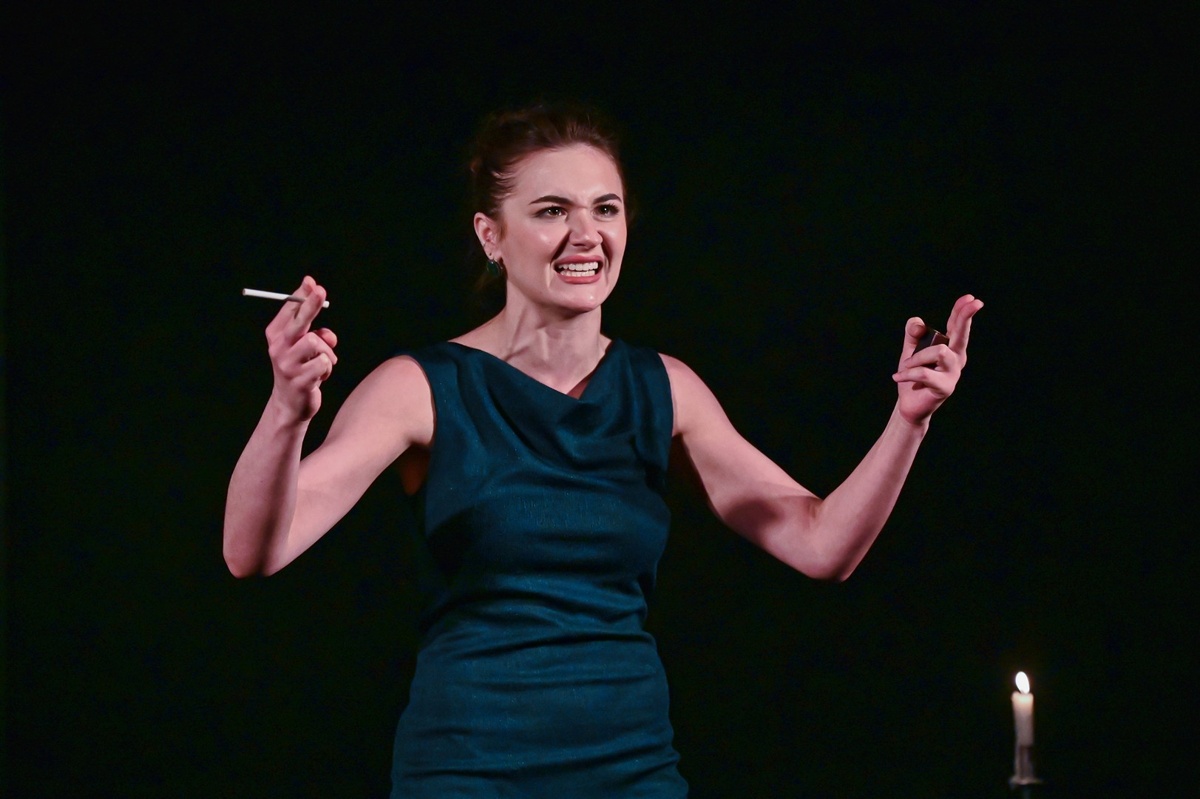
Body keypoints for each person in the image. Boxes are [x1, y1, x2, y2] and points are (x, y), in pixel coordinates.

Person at [223, 103, 983, 797]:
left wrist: (908, 420)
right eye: (552, 210)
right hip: (467, 772)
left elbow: (822, 545)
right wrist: (288, 410)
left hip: (632, 771)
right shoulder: (420, 386)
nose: (586, 234)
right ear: (491, 235)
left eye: (605, 208)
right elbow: (254, 550)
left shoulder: (664, 388)